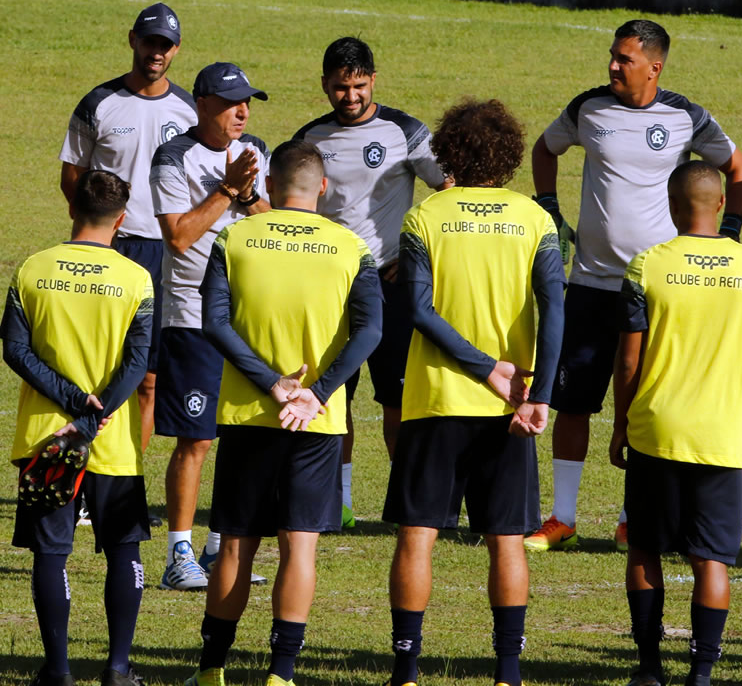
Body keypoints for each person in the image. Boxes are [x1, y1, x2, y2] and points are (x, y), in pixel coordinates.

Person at [526, 18, 742, 553]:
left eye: (624, 59)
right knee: (572, 402)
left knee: (646, 404)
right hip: (587, 281)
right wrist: (550, 208)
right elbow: (544, 150)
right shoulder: (588, 108)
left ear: (655, 67)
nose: (612, 65)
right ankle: (562, 517)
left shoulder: (685, 116)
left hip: (656, 287)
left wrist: (732, 232)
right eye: (612, 55)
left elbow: (738, 169)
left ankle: (633, 518)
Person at [187, 140, 382, 686]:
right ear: (322, 187)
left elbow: (215, 323)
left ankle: (211, 671)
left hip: (249, 415)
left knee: (236, 542)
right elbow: (370, 331)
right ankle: (281, 674)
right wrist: (315, 393)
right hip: (316, 421)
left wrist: (273, 384)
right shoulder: (350, 247)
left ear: (270, 187)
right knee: (300, 545)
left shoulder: (235, 237)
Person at [385, 99, 563, 686]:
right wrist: (535, 389)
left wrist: (482, 367)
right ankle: (507, 675)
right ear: (511, 155)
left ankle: (406, 671)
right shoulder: (536, 220)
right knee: (507, 540)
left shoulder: (427, 216)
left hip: (436, 400)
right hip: (513, 404)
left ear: (449, 152)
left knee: (418, 537)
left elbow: (417, 309)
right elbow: (556, 308)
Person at [608, 161, 742, 686]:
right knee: (712, 561)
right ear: (723, 205)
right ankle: (701, 676)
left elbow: (630, 361)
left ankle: (649, 670)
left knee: (644, 547)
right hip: (721, 437)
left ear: (672, 205)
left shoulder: (646, 267)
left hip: (656, 430)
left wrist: (620, 425)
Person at [0, 169, 154, 686]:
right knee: (124, 548)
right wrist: (98, 411)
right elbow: (137, 363)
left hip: (47, 438)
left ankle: (59, 671)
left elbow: (15, 351)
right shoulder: (136, 279)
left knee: (51, 551)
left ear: (73, 209)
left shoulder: (32, 269)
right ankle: (117, 668)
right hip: (113, 441)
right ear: (121, 219)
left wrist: (70, 403)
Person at [293, 37, 449, 528]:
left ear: (374, 81)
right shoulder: (310, 139)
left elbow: (448, 190)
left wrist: (416, 250)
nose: (351, 97)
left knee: (398, 400)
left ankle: (406, 505)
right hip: (330, 286)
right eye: (341, 87)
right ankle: (336, 503)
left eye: (359, 86)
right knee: (330, 395)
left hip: (391, 284)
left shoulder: (405, 131)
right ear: (325, 85)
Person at [149, 62, 270, 591]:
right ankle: (178, 554)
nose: (242, 112)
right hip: (193, 315)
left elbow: (269, 221)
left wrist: (245, 195)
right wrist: (226, 190)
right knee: (195, 441)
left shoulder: (255, 151)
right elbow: (177, 237)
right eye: (231, 103)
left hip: (245, 320)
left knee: (237, 437)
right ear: (202, 104)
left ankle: (220, 544)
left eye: (247, 102)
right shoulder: (173, 156)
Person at [60, 2, 197, 456]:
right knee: (98, 368)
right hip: (110, 247)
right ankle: (83, 475)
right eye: (150, 41)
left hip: (165, 252)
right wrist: (95, 232)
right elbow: (72, 175)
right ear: (132, 39)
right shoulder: (98, 103)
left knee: (149, 378)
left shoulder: (189, 110)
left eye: (165, 44)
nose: (156, 52)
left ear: (175, 50)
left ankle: (127, 481)